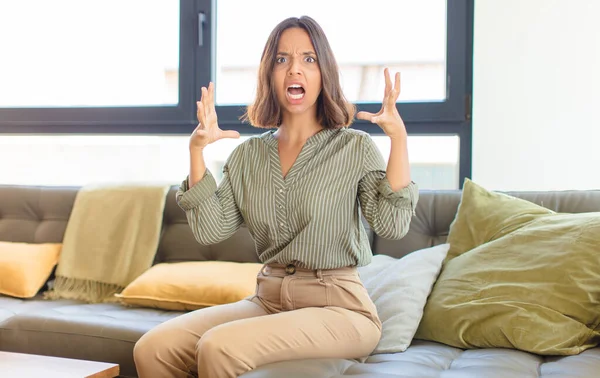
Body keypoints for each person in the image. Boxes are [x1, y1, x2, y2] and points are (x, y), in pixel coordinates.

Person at [133, 15, 418, 378]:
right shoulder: (247, 156)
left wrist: (399, 140)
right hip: (268, 301)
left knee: (219, 347)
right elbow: (210, 231)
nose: (294, 69)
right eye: (282, 59)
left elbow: (391, 225)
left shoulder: (353, 147)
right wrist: (197, 153)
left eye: (308, 59)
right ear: (269, 73)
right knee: (152, 349)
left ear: (323, 74)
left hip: (340, 309)